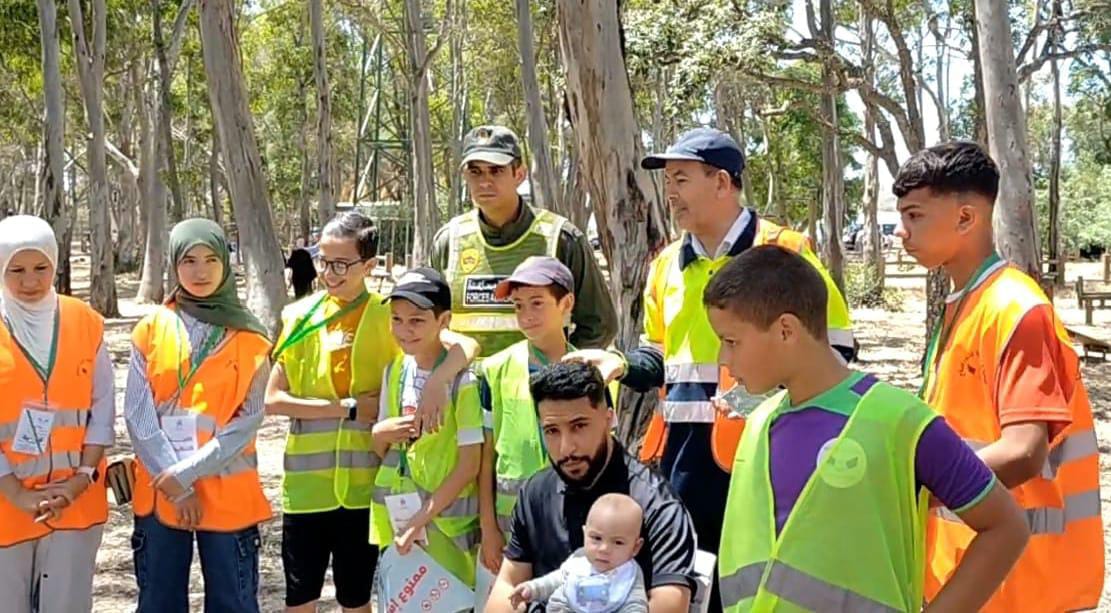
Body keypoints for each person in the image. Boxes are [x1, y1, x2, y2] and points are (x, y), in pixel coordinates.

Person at [567, 127, 854, 611]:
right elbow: (660, 358)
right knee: (696, 586)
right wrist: (621, 364)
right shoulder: (665, 266)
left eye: (681, 179)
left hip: (769, 456)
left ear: (722, 182)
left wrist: (766, 402)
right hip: (684, 464)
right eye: (668, 181)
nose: (670, 193)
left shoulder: (783, 251)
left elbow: (837, 348)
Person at [704, 245, 1029, 612]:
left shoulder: (900, 421)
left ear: (785, 330)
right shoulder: (759, 423)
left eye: (731, 342)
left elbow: (1006, 527)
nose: (723, 359)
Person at [894, 141, 1105, 611]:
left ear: (966, 218)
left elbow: (1024, 452)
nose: (901, 232)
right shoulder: (966, 303)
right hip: (972, 576)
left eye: (914, 216)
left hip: (1023, 583)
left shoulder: (1016, 309)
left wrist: (906, 485)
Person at [265, 211, 478, 613]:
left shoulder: (392, 314)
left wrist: (438, 381)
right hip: (305, 490)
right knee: (299, 598)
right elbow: (272, 400)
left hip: (364, 487)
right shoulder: (298, 317)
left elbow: (465, 345)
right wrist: (346, 409)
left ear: (369, 265)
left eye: (341, 264)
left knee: (357, 598)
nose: (329, 272)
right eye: (323, 261)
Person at [125, 218, 272, 613]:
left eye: (211, 259)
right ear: (174, 264)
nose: (200, 271)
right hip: (162, 491)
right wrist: (177, 485)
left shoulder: (251, 337)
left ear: (226, 262)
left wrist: (187, 474)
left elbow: (247, 421)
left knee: (233, 603)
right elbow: (138, 414)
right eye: (189, 260)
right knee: (159, 602)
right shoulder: (151, 328)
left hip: (226, 494)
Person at [486, 362, 698, 613]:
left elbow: (669, 604)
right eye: (552, 431)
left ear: (608, 419)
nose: (566, 448)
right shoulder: (536, 493)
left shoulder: (656, 504)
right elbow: (508, 585)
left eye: (579, 426)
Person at [0, 215, 114, 613]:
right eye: (16, 270)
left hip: (75, 501)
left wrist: (82, 478)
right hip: (6, 505)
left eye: (41, 268)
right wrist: (14, 491)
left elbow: (103, 406)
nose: (30, 281)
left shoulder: (85, 321)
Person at [430, 125, 616, 357]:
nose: (484, 182)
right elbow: (429, 323)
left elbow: (600, 325)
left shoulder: (561, 238)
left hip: (537, 381)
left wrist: (563, 369)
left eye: (496, 171)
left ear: (519, 174)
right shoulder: (449, 241)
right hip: (464, 381)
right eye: (475, 172)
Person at [476, 256, 611, 573]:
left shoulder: (593, 371)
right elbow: (485, 456)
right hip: (512, 526)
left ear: (567, 303)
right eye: (518, 306)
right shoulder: (494, 369)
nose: (526, 315)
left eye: (537, 303)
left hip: (576, 521)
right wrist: (488, 527)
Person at [370, 268, 483, 587]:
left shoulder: (463, 380)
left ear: (443, 321)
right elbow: (382, 450)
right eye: (396, 319)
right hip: (396, 521)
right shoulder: (394, 371)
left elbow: (469, 465)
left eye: (416, 321)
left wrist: (419, 520)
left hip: (445, 528)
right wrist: (380, 433)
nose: (404, 330)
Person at [510, 493, 649, 613]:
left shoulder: (629, 574)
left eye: (618, 542)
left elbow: (637, 605)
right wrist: (532, 589)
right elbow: (555, 580)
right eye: (596, 538)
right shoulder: (579, 560)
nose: (604, 548)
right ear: (584, 534)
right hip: (566, 609)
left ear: (635, 547)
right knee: (559, 599)